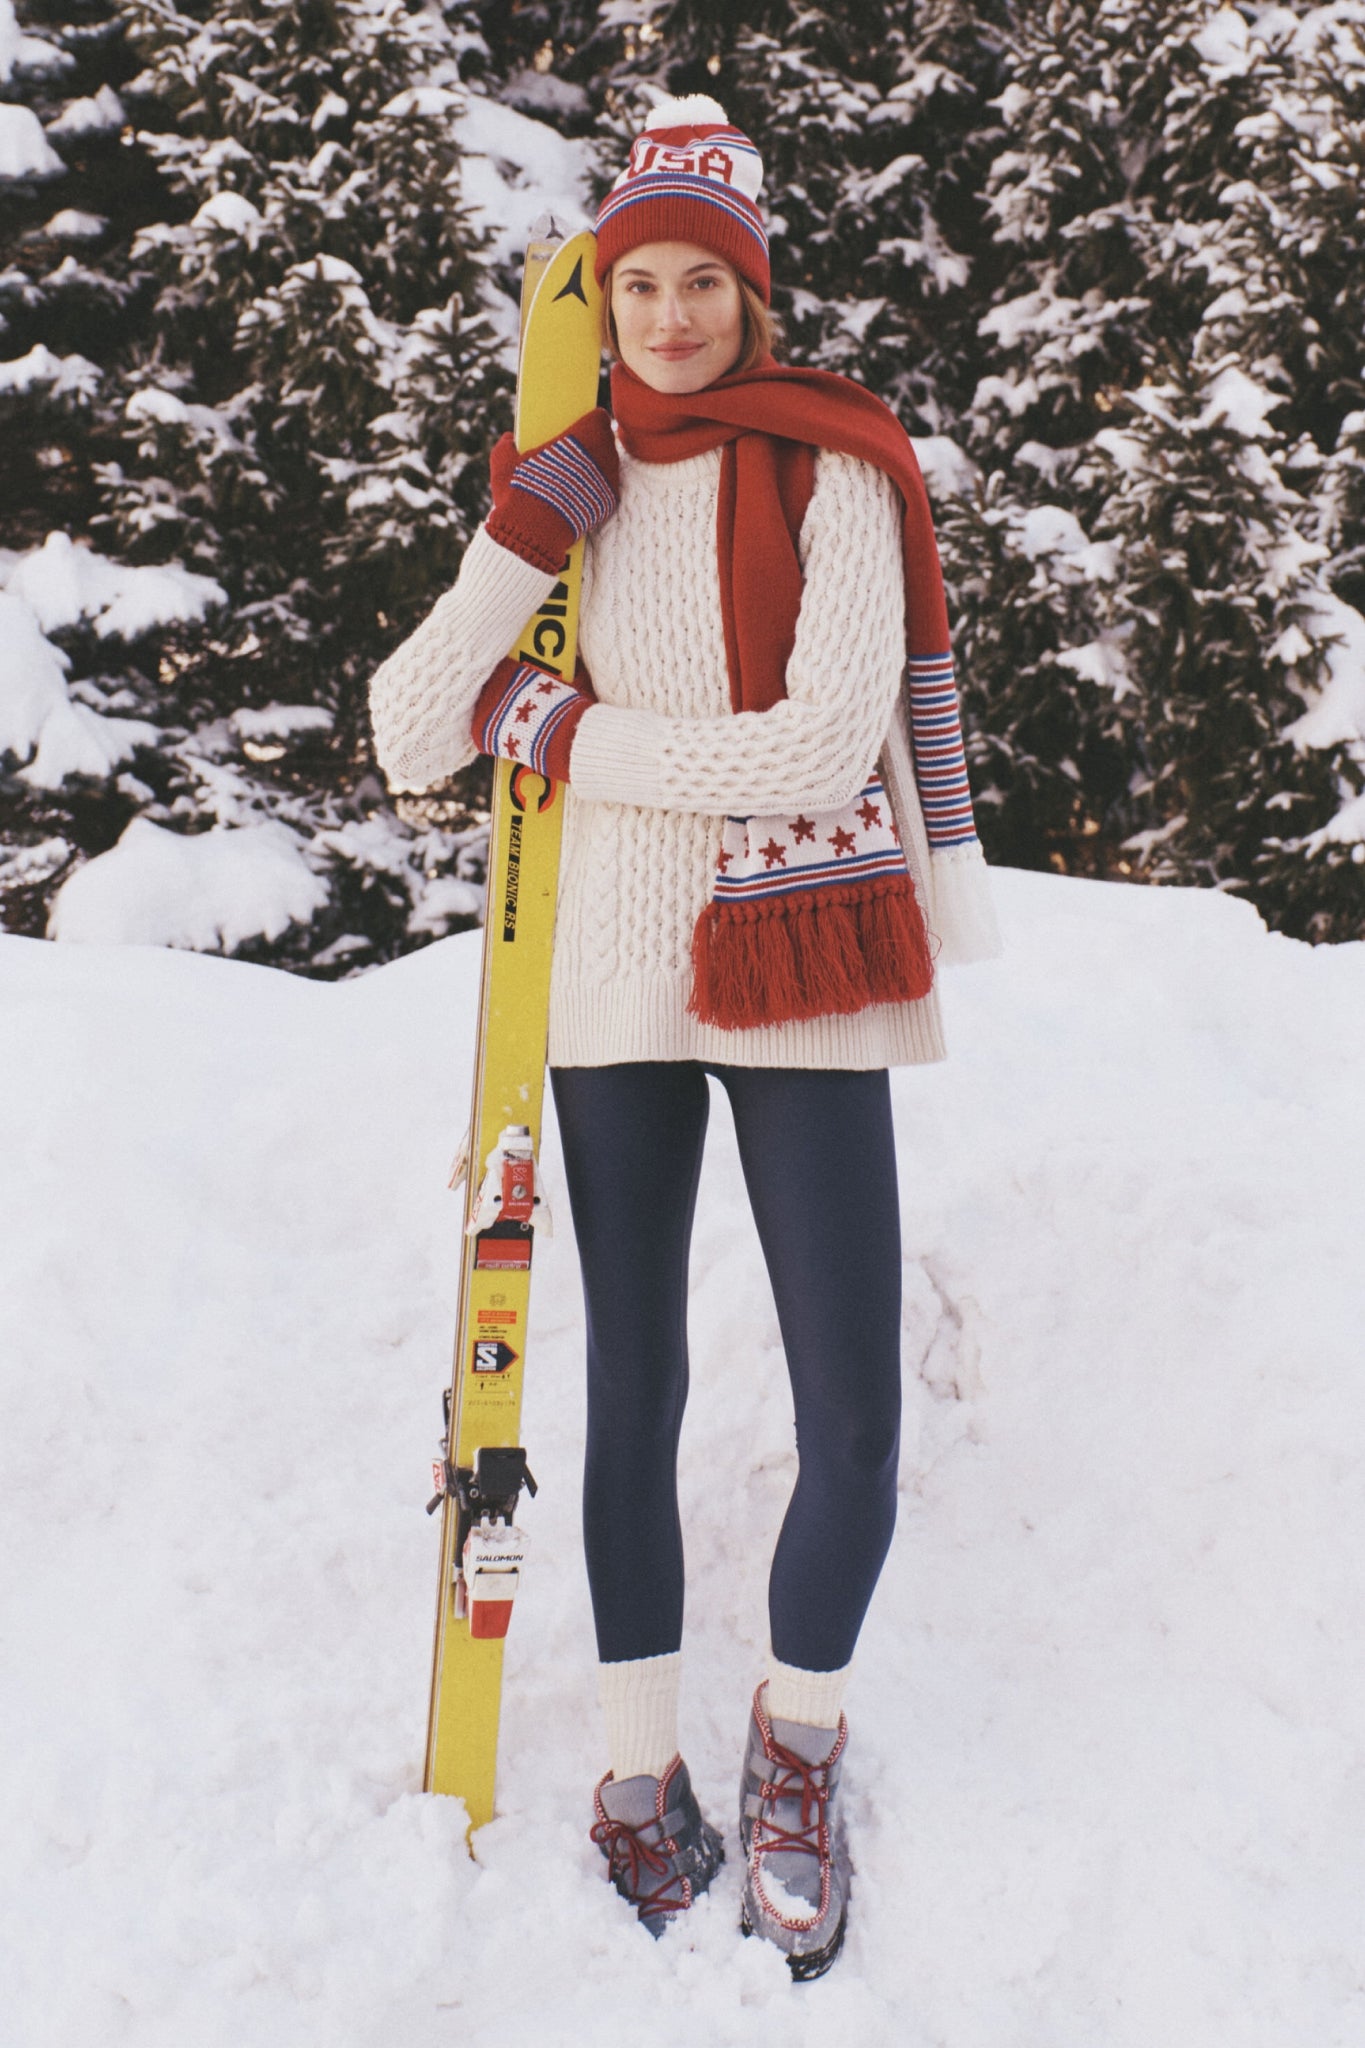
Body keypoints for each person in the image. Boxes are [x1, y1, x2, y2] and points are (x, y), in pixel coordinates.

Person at [369, 94, 999, 1978]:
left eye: (696, 282)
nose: (662, 315)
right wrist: (515, 532)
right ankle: (636, 1770)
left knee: (852, 1416)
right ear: (601, 293)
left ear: (750, 292)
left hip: (808, 960)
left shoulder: (838, 470)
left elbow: (815, 747)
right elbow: (412, 729)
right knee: (626, 1387)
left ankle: (792, 1741)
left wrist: (560, 739)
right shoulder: (568, 479)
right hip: (612, 988)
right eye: (630, 281)